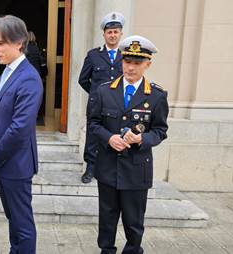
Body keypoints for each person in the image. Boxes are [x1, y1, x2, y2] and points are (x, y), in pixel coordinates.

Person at [90, 35, 169, 254]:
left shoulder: (156, 96)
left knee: (134, 222)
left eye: (137, 63)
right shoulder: (104, 90)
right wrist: (109, 138)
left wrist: (143, 139)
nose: (131, 68)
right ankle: (106, 250)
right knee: (107, 219)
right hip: (108, 167)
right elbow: (94, 123)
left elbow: (161, 131)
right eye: (127, 62)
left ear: (147, 64)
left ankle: (133, 251)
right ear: (121, 61)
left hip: (136, 169)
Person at [0, 15, 43, 254]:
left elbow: (19, 128)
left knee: (22, 224)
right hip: (4, 162)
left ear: (18, 42)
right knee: (13, 219)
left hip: (16, 164)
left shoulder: (28, 77)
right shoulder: (7, 71)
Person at [79, 12, 125, 184]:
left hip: (119, 105)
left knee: (116, 134)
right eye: (109, 32)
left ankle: (112, 169)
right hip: (97, 105)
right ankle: (90, 168)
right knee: (93, 135)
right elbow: (83, 79)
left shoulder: (126, 56)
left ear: (121, 34)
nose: (112, 35)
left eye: (116, 32)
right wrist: (96, 94)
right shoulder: (93, 55)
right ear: (104, 34)